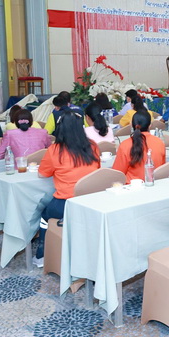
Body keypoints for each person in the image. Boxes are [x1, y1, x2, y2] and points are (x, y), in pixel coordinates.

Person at [34, 111, 100, 267]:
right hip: (91, 201)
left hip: (65, 204)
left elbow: (42, 174)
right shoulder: (92, 146)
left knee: (44, 214)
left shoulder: (55, 149)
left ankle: (42, 255)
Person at [113, 110, 165, 181]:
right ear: (150, 125)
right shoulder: (159, 142)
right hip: (155, 183)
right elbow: (161, 168)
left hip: (131, 186)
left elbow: (117, 174)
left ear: (131, 124)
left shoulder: (125, 145)